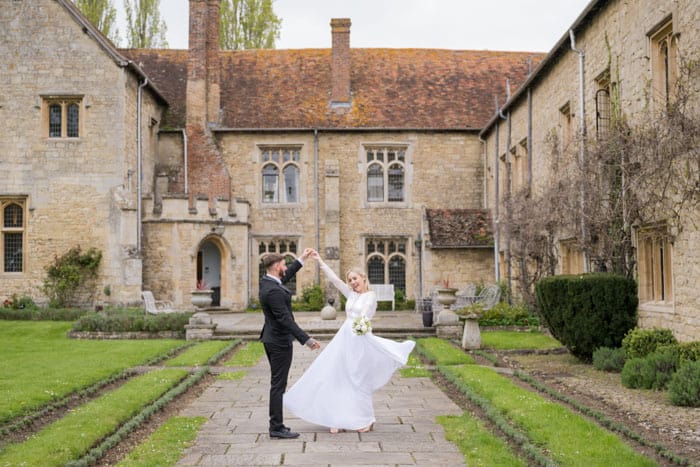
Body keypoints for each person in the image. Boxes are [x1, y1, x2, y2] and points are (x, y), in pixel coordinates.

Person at [283, 251, 415, 433]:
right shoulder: (351, 294)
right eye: (350, 280)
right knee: (336, 376)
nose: (353, 282)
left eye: (355, 279)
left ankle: (367, 419)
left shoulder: (370, 296)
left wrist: (361, 324)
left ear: (363, 278)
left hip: (360, 340)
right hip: (344, 339)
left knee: (358, 380)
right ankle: (336, 418)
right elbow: (335, 280)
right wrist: (319, 260)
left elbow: (366, 314)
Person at [259, 250, 321, 439]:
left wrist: (301, 259)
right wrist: (306, 339)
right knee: (278, 385)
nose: (286, 268)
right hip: (278, 341)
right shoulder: (273, 291)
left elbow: (288, 274)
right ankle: (276, 427)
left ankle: (276, 425)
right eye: (284, 265)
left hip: (273, 338)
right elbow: (285, 319)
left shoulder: (270, 283)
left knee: (278, 383)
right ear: (277, 266)